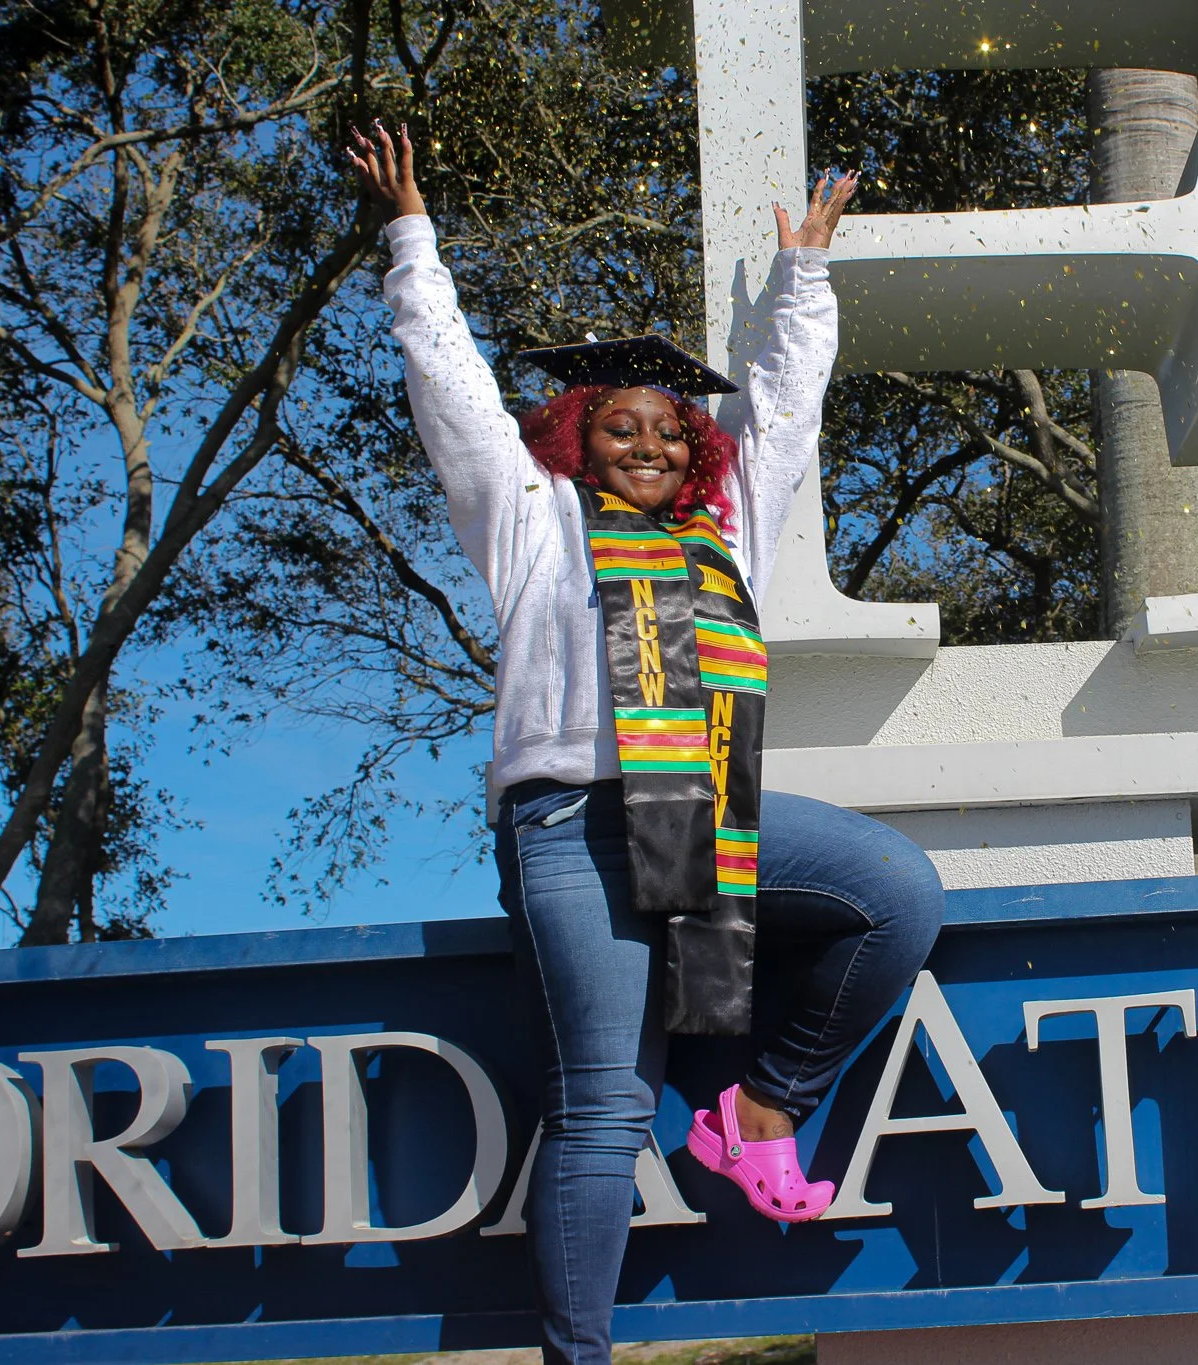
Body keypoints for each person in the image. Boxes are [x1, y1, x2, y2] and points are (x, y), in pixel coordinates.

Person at [347, 122, 944, 1365]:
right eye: (622, 428)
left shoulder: (730, 530)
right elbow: (451, 392)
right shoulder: (529, 520)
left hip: (712, 818)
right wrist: (412, 244)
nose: (651, 446)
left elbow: (785, 407)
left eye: (671, 431)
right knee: (603, 1107)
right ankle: (580, 1357)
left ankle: (761, 1113)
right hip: (572, 828)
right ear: (575, 434)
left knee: (894, 890)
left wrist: (806, 279)